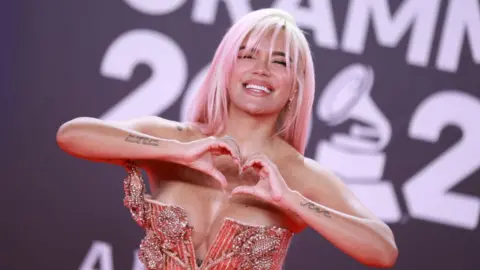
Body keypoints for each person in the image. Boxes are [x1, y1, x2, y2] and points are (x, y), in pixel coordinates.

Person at [57, 8, 398, 270]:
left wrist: (293, 201)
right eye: (247, 55)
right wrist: (179, 152)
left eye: (279, 62)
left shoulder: (301, 175)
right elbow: (72, 135)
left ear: (295, 86)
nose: (261, 69)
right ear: (226, 68)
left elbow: (383, 250)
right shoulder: (175, 139)